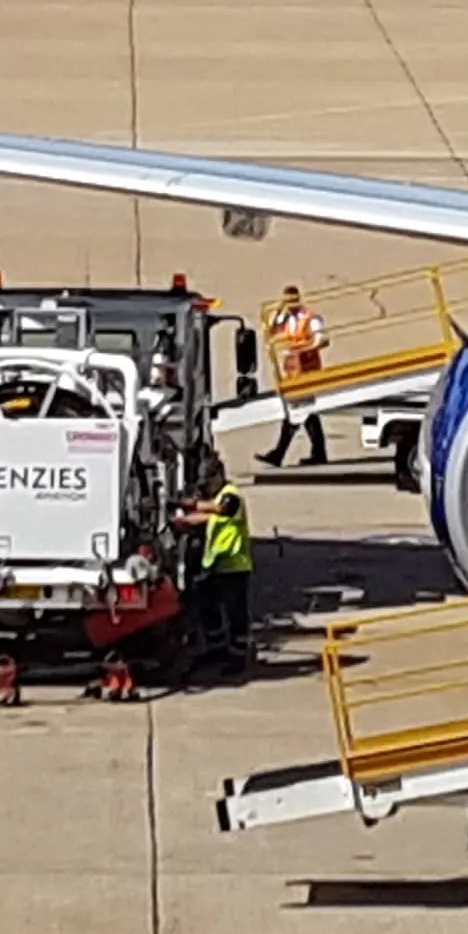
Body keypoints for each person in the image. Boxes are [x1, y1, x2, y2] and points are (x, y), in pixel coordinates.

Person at [260, 286, 328, 468]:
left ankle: (279, 453)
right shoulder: (286, 318)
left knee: (298, 411)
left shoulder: (310, 318)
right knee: (306, 412)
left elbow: (322, 340)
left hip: (307, 368)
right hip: (293, 369)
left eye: (292, 301)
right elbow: (271, 330)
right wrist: (278, 311)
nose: (290, 305)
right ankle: (318, 452)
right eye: (286, 301)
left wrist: (305, 348)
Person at [191, 483, 253, 671]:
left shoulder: (230, 494)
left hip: (235, 566)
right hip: (218, 566)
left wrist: (190, 505)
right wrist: (184, 520)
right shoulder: (217, 498)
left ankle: (238, 658)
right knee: (207, 606)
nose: (204, 489)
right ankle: (216, 650)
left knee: (236, 614)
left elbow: (224, 508)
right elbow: (210, 517)